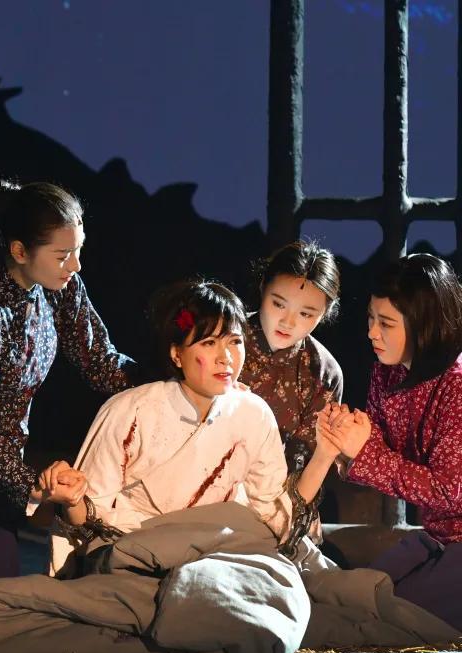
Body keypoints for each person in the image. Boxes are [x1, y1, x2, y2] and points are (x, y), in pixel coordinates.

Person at [0, 171, 136, 594]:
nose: (76, 265)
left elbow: (101, 361)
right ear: (19, 250)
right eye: (63, 254)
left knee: (1, 605)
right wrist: (37, 484)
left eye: (79, 250)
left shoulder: (59, 286)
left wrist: (175, 379)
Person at [44, 279, 339, 573]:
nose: (226, 358)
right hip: (135, 552)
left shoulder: (254, 414)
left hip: (218, 553)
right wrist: (71, 499)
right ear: (176, 354)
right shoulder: (131, 410)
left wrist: (325, 453)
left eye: (235, 342)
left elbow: (273, 515)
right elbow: (89, 516)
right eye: (209, 343)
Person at [320, 253, 462, 632]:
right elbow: (377, 454)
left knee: (387, 612)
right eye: (371, 318)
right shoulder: (387, 372)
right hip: (436, 538)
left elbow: (448, 490)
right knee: (357, 592)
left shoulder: (456, 385)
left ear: (424, 324)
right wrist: (345, 440)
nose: (372, 332)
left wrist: (364, 451)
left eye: (386, 323)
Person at [239, 240, 343, 540]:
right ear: (263, 288)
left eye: (306, 314)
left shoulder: (323, 373)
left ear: (325, 313)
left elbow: (305, 464)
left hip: (282, 504)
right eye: (278, 304)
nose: (288, 322)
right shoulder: (224, 340)